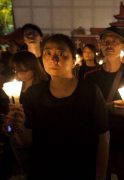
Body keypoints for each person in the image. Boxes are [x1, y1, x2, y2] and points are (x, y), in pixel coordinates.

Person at [5, 34, 109, 179]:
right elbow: (27, 142)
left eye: (61, 54)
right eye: (48, 53)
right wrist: (17, 127)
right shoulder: (33, 94)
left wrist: (100, 175)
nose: (54, 59)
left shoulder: (90, 91)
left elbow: (103, 136)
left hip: (82, 169)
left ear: (73, 61)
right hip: (44, 170)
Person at [85, 26, 124, 180]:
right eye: (105, 42)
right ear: (100, 45)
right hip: (97, 138)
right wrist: (109, 106)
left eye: (114, 42)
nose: (109, 45)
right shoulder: (89, 75)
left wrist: (100, 106)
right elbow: (86, 108)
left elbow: (123, 110)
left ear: (123, 45)